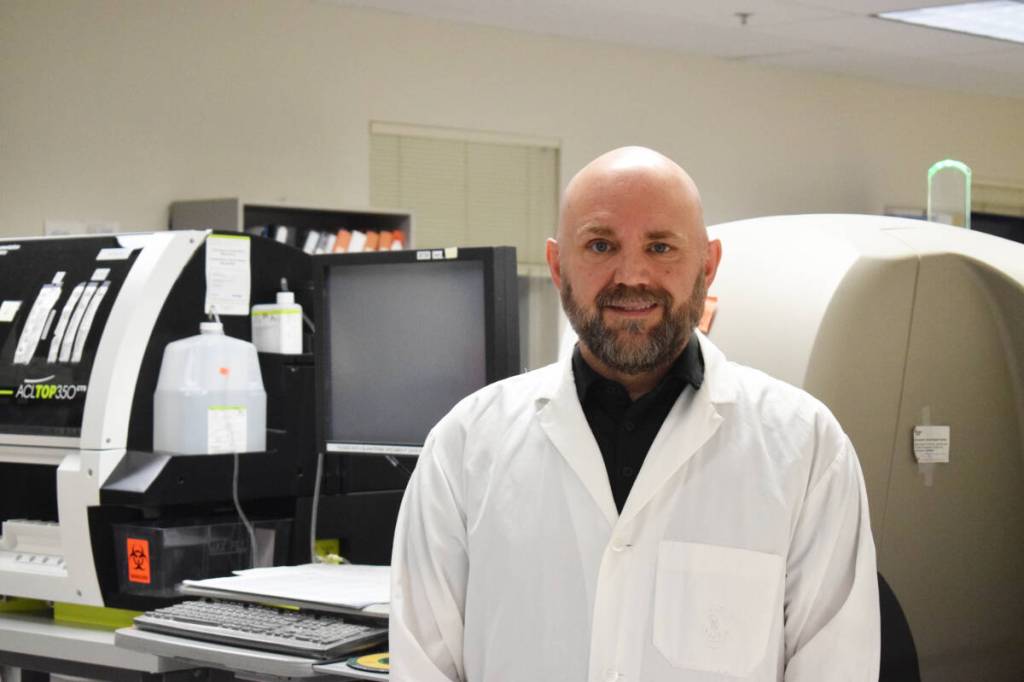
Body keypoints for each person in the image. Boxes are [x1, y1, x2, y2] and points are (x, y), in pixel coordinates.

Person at [389, 146, 880, 681]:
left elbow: (836, 666)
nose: (632, 274)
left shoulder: (806, 447)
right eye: (600, 245)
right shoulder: (464, 444)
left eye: (661, 246)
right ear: (557, 266)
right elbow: (423, 665)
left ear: (708, 266)